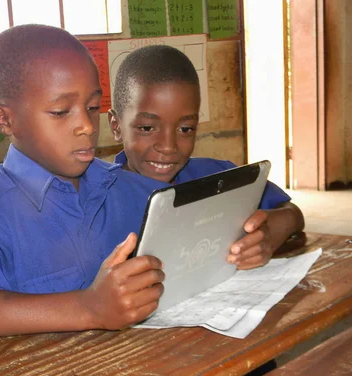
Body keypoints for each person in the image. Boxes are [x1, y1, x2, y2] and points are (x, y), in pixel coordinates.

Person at [0, 24, 165, 337]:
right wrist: (89, 308)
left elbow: (195, 224)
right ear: (5, 120)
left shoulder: (124, 187)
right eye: (60, 111)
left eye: (93, 107)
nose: (86, 125)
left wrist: (245, 241)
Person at [107, 45, 305, 270]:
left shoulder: (216, 178)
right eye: (147, 127)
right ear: (116, 126)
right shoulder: (98, 199)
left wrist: (267, 234)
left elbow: (293, 213)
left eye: (185, 129)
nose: (168, 147)